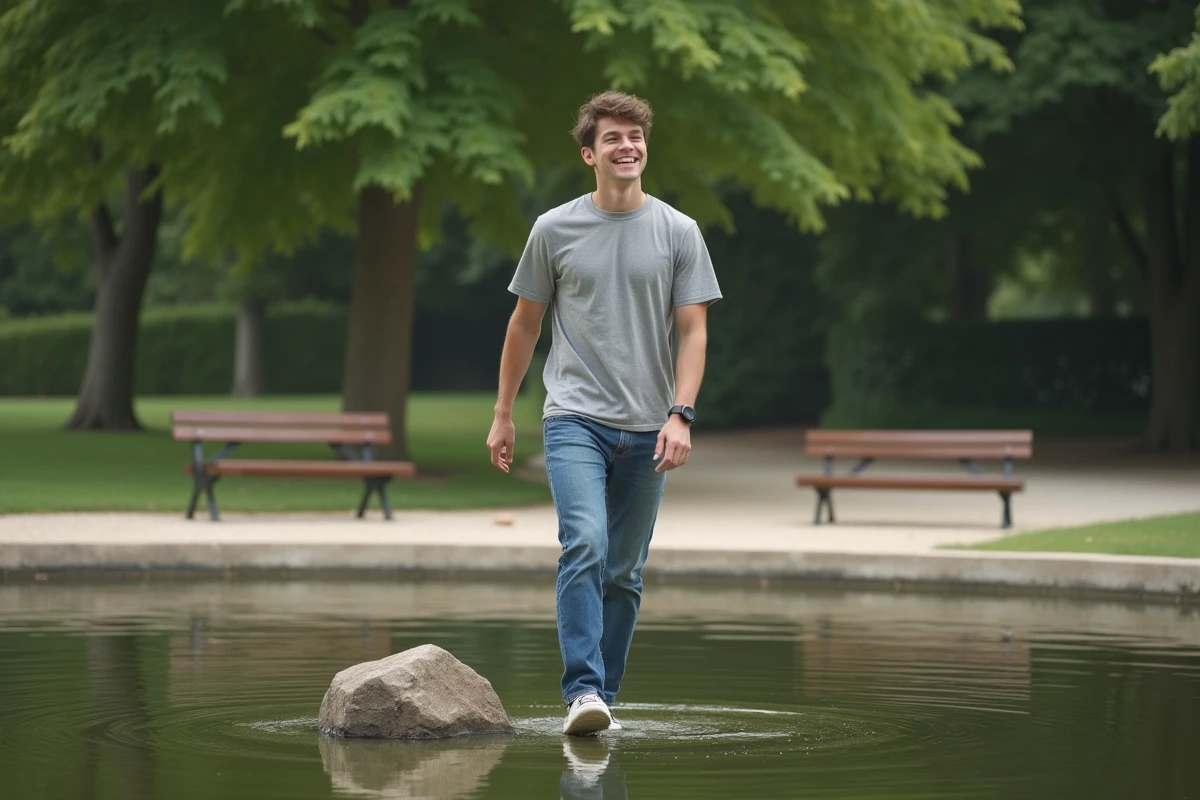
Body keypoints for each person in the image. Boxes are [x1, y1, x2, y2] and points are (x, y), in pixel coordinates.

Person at [487, 91, 722, 736]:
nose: (628, 146)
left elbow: (694, 331)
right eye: (613, 137)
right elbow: (523, 326)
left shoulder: (679, 232)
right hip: (574, 418)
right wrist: (504, 413)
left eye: (636, 137)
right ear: (590, 153)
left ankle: (601, 701)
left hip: (651, 426)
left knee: (624, 570)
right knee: (585, 543)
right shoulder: (553, 230)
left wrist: (682, 413)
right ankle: (583, 689)